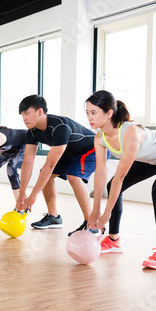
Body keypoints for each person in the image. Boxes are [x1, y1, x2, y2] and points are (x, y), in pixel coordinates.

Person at [85, 90, 156, 269]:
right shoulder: (100, 137)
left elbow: (120, 176)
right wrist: (95, 210)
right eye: (87, 113)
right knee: (112, 185)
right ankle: (113, 240)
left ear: (109, 113)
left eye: (93, 112)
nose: (89, 117)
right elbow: (100, 173)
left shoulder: (130, 133)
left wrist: (106, 214)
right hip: (151, 160)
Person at [16, 94, 99, 235]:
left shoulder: (60, 126)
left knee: (73, 176)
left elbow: (50, 165)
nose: (24, 118)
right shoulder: (32, 132)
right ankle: (53, 217)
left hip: (93, 148)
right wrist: (22, 192)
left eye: (27, 113)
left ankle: (91, 224)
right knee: (46, 175)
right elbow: (28, 161)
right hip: (70, 151)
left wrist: (33, 195)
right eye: (22, 114)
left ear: (40, 111)